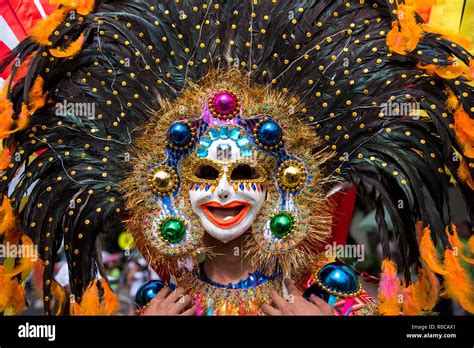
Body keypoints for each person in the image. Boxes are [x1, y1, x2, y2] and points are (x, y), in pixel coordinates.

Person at [0, 0, 472, 316]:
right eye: (205, 174)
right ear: (170, 188)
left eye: (244, 172)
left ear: (282, 184)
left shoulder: (335, 296)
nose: (224, 189)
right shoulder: (163, 305)